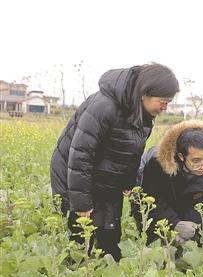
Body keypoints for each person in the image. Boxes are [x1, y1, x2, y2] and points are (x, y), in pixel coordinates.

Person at [50, 63, 179, 261]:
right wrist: (81, 203)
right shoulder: (104, 106)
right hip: (75, 176)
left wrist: (128, 181)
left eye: (168, 103)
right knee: (82, 235)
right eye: (163, 101)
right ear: (144, 93)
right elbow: (80, 155)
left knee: (110, 230)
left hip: (106, 176)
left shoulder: (144, 115)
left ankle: (108, 272)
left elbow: (133, 152)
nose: (165, 108)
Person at [134, 120, 203, 243]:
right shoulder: (158, 164)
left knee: (196, 237)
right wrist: (175, 223)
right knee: (154, 239)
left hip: (186, 196)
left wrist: (190, 225)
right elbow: (153, 200)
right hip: (150, 189)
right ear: (181, 157)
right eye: (196, 161)